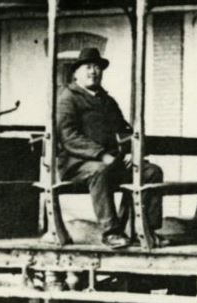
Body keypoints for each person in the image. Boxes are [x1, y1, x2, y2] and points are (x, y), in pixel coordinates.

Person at [56, 47, 163, 248]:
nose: (93, 72)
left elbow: (124, 129)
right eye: (88, 67)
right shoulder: (68, 98)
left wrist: (132, 150)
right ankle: (111, 233)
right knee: (100, 170)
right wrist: (101, 154)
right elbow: (69, 137)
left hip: (112, 161)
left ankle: (147, 230)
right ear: (77, 73)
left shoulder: (107, 101)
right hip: (77, 164)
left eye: (97, 67)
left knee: (151, 172)